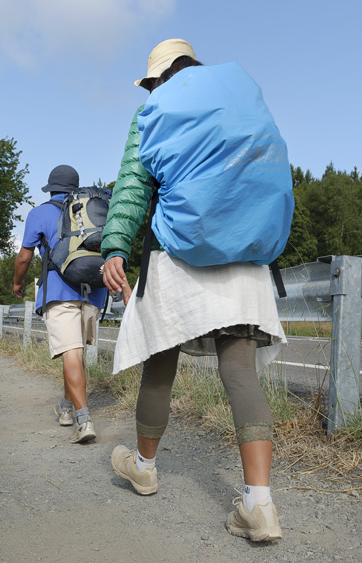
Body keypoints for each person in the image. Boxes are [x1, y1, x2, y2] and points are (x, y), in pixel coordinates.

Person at [101, 39, 293, 542]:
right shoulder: (238, 97)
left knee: (160, 363)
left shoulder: (153, 110)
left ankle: (144, 468)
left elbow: (134, 184)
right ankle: (259, 505)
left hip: (179, 250)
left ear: (155, 80)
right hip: (247, 251)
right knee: (240, 371)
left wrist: (116, 246)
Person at [13, 165, 109, 444]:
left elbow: (24, 257)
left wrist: (17, 283)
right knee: (75, 353)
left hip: (59, 291)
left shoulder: (40, 213)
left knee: (71, 353)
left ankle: (83, 420)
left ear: (51, 189)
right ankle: (67, 408)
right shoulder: (92, 209)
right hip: (93, 290)